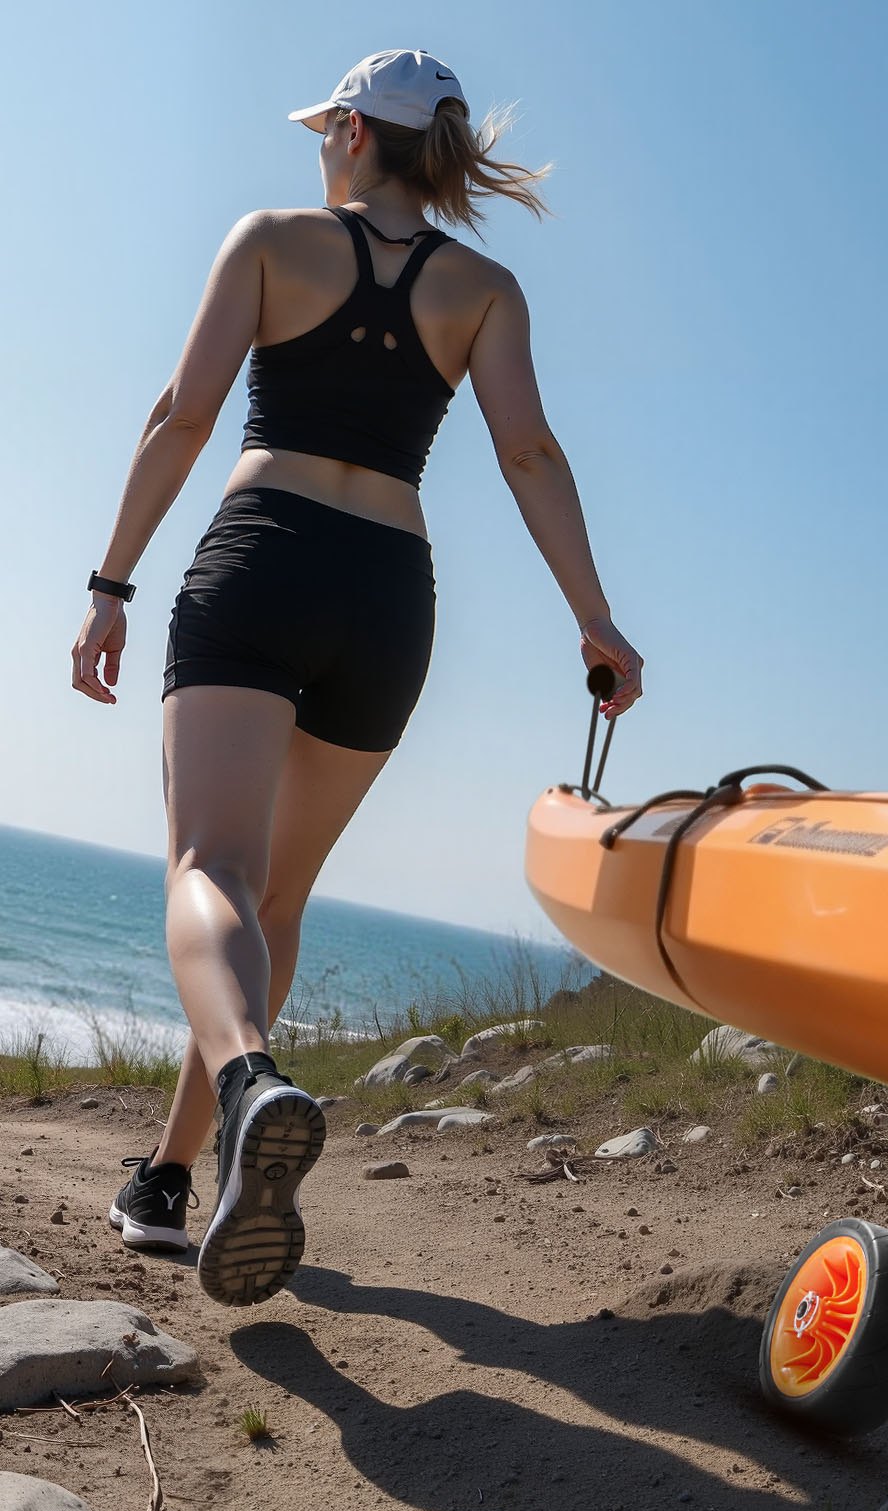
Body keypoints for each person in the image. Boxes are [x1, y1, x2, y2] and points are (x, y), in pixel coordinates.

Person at [71, 48, 642, 1307]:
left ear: (345, 133)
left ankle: (247, 1089)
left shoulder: (273, 239)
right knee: (270, 901)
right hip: (390, 594)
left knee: (208, 871)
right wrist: (595, 620)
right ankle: (171, 1180)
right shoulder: (485, 287)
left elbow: (182, 413)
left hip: (264, 557)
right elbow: (531, 453)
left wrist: (110, 582)